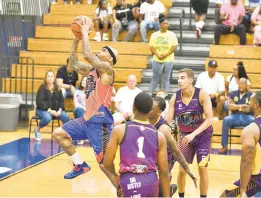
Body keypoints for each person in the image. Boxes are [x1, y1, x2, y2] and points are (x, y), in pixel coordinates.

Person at [52, 16, 119, 188]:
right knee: (58, 134)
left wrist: (84, 33)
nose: (100, 50)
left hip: (100, 123)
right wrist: (76, 39)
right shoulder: (91, 70)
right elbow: (73, 62)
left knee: (105, 166)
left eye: (104, 49)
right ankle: (80, 164)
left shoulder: (107, 70)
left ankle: (123, 192)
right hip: (86, 120)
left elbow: (88, 54)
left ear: (110, 58)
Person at [103, 92, 170, 197]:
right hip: (151, 183)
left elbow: (107, 163)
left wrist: (115, 176)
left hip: (128, 181)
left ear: (133, 107)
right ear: (149, 110)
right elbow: (164, 171)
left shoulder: (119, 130)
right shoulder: (159, 136)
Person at [167, 68, 213, 198]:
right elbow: (168, 121)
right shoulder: (175, 98)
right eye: (178, 78)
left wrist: (194, 134)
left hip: (203, 135)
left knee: (202, 167)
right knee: (182, 170)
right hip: (185, 136)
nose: (179, 81)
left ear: (191, 80)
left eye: (182, 78)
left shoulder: (201, 94)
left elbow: (210, 119)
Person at [148, 96, 198, 197]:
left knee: (160, 193)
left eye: (152, 108)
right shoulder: (144, 119)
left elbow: (176, 151)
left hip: (166, 158)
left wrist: (187, 169)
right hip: (151, 155)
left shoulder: (163, 129)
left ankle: (168, 188)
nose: (148, 108)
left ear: (159, 112)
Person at [220, 90, 261, 197]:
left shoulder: (251, 130)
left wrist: (243, 190)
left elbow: (246, 162)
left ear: (256, 105)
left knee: (225, 196)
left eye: (250, 101)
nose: (248, 104)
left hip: (257, 181)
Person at [219, 78, 254, 154]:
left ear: (246, 85)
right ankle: (224, 146)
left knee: (254, 120)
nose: (241, 85)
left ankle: (252, 147)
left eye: (243, 84)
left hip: (247, 117)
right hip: (234, 117)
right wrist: (243, 106)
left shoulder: (251, 95)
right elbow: (229, 107)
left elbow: (249, 109)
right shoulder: (232, 94)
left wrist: (236, 106)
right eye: (239, 84)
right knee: (226, 120)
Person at [34, 71, 70, 141]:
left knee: (66, 117)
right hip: (43, 110)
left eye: (52, 76)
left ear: (54, 78)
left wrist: (59, 110)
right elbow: (40, 102)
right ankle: (37, 129)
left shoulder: (57, 88)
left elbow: (61, 101)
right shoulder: (42, 88)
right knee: (47, 117)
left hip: (56, 110)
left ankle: (64, 133)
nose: (50, 78)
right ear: (46, 78)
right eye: (48, 76)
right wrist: (50, 111)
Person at [149, 14, 178, 94]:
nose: (166, 25)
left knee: (166, 78)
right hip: (156, 59)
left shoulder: (171, 34)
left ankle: (165, 94)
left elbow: (174, 46)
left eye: (167, 23)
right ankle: (149, 93)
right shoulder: (154, 34)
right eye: (164, 23)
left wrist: (166, 54)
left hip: (168, 59)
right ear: (160, 24)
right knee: (155, 77)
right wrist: (157, 55)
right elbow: (151, 46)